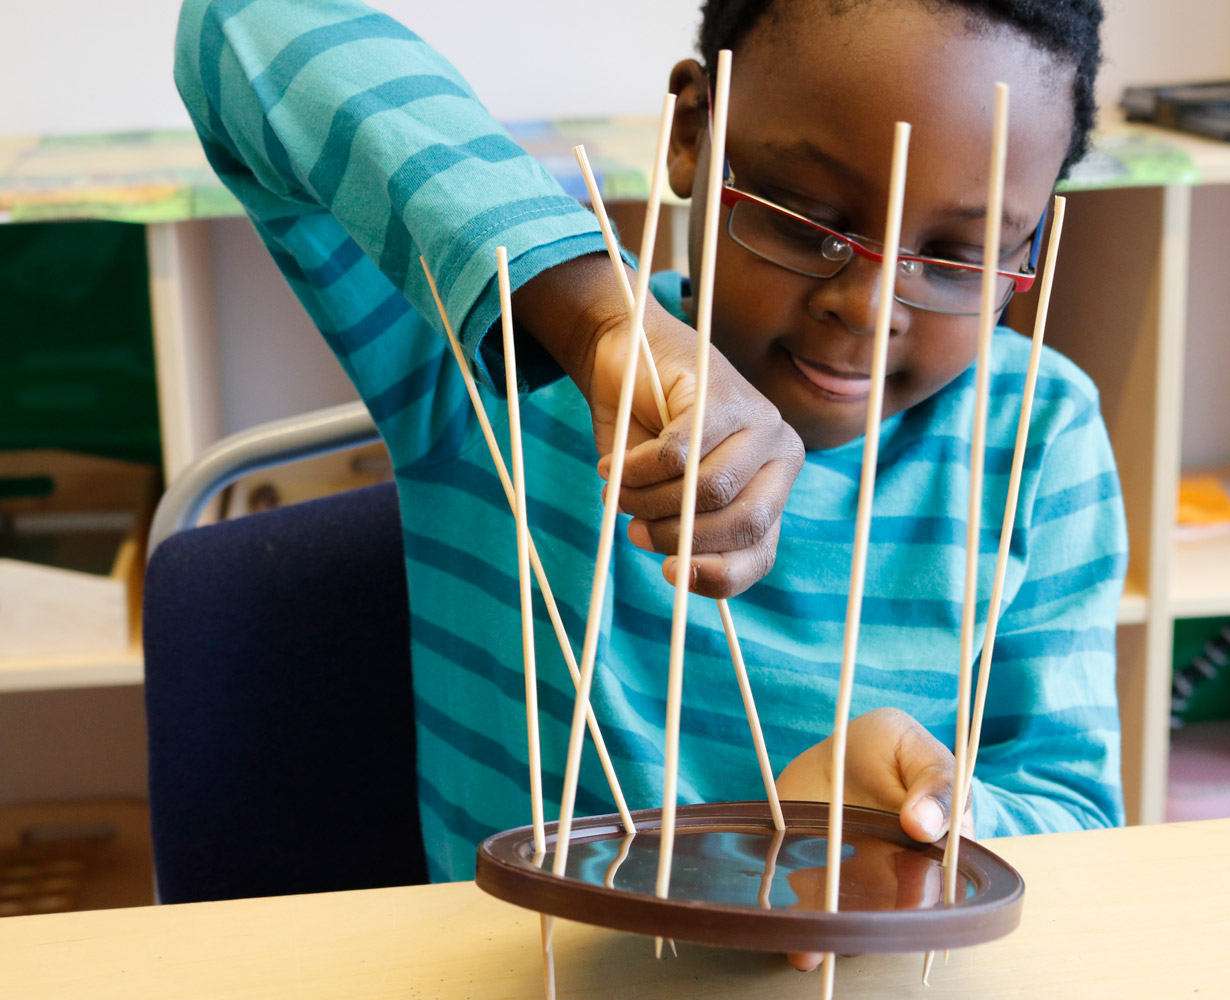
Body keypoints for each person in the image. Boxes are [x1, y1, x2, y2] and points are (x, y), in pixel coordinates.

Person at [174, 0, 1126, 938]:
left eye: (961, 259)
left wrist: (902, 833)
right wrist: (597, 318)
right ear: (691, 132)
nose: (872, 307)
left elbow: (1078, 815)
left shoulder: (1039, 434)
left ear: (1031, 244)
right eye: (805, 218)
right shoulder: (503, 358)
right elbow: (243, 24)